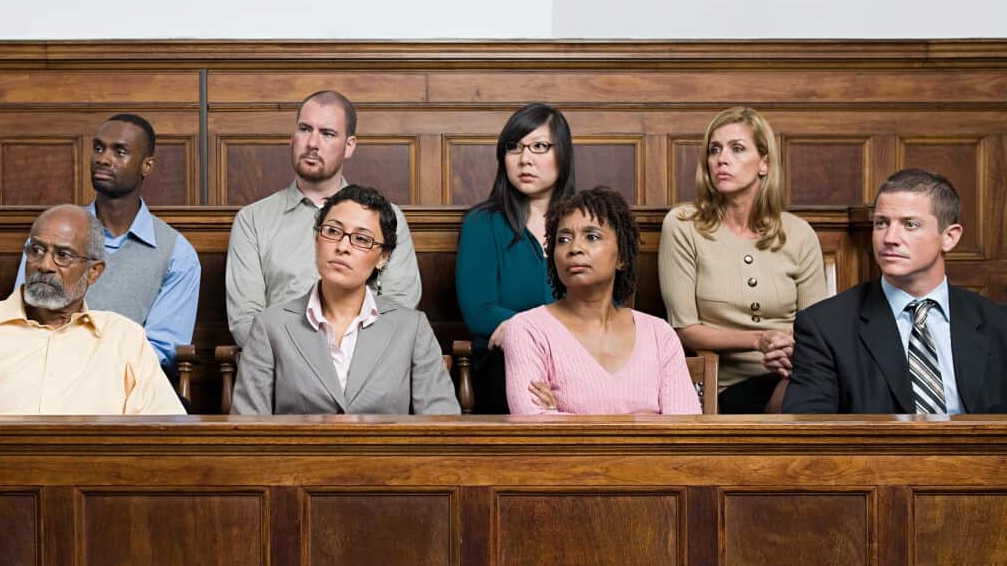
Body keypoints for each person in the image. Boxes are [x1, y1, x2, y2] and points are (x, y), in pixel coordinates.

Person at [0, 205, 186, 415]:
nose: (45, 265)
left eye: (62, 255)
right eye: (37, 250)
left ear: (94, 272)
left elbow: (160, 432)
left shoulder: (124, 339)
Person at [785, 169, 1007, 414]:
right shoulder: (825, 327)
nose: (890, 238)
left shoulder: (1005, 326)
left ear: (949, 237)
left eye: (910, 225)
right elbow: (809, 435)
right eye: (881, 223)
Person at [230, 185, 459, 415]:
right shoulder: (270, 327)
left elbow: (442, 429)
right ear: (316, 238)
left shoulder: (412, 328)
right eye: (332, 231)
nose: (342, 247)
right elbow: (246, 434)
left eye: (361, 239)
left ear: (383, 257)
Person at [658, 106, 826, 413]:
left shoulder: (799, 234)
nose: (722, 159)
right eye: (715, 150)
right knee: (810, 398)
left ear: (764, 163)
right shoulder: (683, 225)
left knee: (838, 386)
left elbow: (817, 329)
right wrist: (759, 340)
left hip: (796, 371)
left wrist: (789, 351)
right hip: (723, 385)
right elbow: (684, 328)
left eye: (737, 149)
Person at [225, 90, 421, 346]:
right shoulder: (253, 220)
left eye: (327, 133)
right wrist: (307, 361)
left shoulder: (388, 217)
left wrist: (345, 357)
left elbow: (400, 307)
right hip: (282, 370)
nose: (312, 143)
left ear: (349, 145)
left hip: (367, 368)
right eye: (305, 129)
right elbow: (245, 320)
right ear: (292, 137)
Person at [12, 113, 199, 374]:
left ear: (147, 165)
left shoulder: (177, 253)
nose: (103, 158)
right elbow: (21, 316)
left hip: (126, 385)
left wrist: (94, 374)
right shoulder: (51, 234)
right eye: (99, 148)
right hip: (44, 372)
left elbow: (161, 349)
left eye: (119, 152)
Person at [505, 187, 701, 415]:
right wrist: (642, 419)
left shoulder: (659, 334)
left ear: (621, 258)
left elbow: (683, 429)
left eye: (592, 237)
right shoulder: (527, 329)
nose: (574, 248)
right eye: (563, 239)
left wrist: (558, 414)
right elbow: (534, 426)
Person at [456, 103, 575, 413]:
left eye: (539, 146)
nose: (525, 159)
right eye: (514, 148)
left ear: (562, 153)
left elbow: (608, 306)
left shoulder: (587, 222)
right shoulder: (482, 223)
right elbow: (479, 311)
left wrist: (521, 325)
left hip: (578, 359)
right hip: (505, 364)